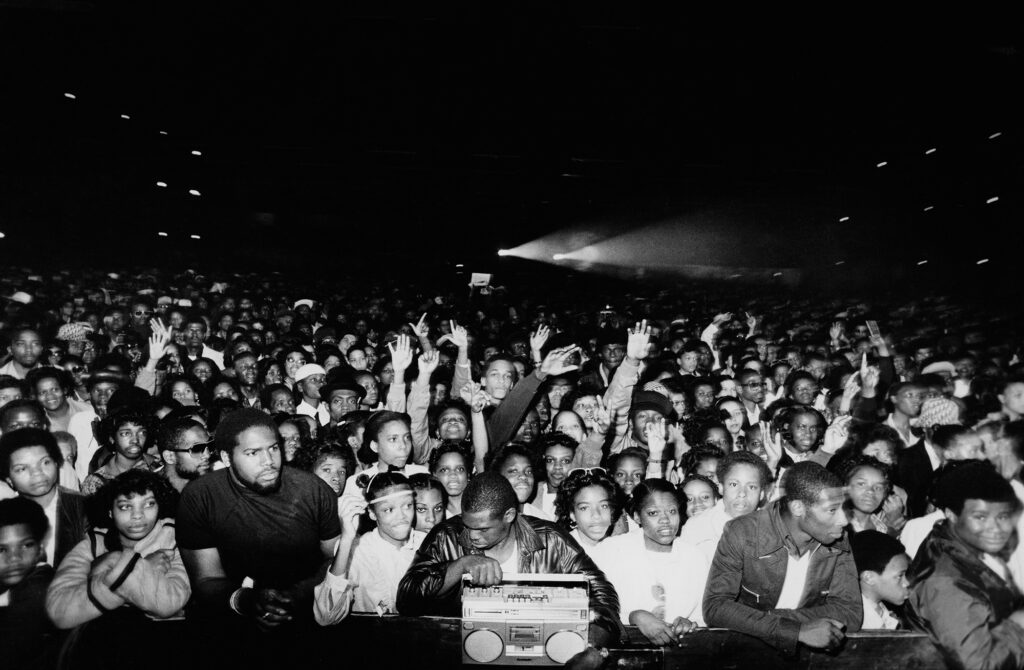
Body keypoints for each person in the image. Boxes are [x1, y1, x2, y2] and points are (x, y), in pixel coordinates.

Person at [396, 471, 622, 648]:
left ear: (509, 515)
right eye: (467, 525)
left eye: (483, 528)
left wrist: (591, 648)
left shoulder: (551, 539)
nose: (472, 535)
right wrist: (460, 566)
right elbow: (406, 599)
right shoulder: (446, 535)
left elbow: (603, 598)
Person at [175, 409, 340, 651]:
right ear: (227, 457)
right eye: (253, 453)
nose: (268, 461)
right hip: (230, 624)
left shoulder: (313, 490)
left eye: (273, 448)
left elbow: (335, 560)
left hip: (307, 616)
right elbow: (206, 579)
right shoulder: (200, 497)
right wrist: (247, 600)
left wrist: (296, 596)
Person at [703, 462, 862, 654]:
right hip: (745, 653)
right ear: (798, 508)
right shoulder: (743, 533)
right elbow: (715, 607)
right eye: (831, 510)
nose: (844, 520)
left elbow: (850, 613)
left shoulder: (837, 538)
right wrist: (796, 631)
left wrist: (774, 620)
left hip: (807, 656)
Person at [45, 470, 190, 668]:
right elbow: (60, 611)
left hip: (158, 645)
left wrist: (110, 566)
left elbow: (169, 603)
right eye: (125, 506)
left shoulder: (174, 538)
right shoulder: (94, 542)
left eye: (148, 504)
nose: (138, 515)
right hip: (100, 648)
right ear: (111, 511)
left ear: (160, 506)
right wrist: (141, 567)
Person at [904, 460, 1024, 669]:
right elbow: (979, 664)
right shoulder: (944, 580)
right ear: (951, 514)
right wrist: (1018, 623)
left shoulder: (962, 548)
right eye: (980, 517)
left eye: (1002, 516)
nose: (995, 528)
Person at [590, 479, 709, 645]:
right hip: (620, 649)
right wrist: (634, 616)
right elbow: (591, 608)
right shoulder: (610, 551)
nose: (665, 520)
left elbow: (703, 615)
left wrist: (689, 624)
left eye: (672, 511)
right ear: (637, 516)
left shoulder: (695, 557)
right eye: (653, 513)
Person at [314, 472, 426, 624]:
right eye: (388, 510)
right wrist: (346, 538)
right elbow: (327, 617)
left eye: (408, 506)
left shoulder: (427, 544)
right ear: (372, 514)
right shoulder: (358, 551)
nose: (401, 516)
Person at [0, 428, 88, 567]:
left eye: (45, 462)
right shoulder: (4, 516)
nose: (37, 473)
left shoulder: (85, 507)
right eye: (22, 468)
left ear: (56, 463)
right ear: (8, 479)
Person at [680, 450, 773, 562]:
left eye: (751, 487)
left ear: (762, 493)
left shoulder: (774, 530)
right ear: (721, 488)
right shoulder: (696, 528)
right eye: (734, 484)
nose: (742, 493)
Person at [0, 497, 57, 669]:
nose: (14, 558)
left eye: (26, 545)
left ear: (40, 548)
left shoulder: (39, 585)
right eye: (2, 549)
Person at [342, 411, 427, 498]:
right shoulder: (356, 485)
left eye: (407, 437)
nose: (403, 445)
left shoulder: (422, 474)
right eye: (393, 439)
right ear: (375, 446)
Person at [849, 530, 909, 630]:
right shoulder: (857, 625)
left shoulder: (880, 611)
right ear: (869, 577)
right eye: (900, 576)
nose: (906, 583)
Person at [553, 467, 626, 549]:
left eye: (604, 506)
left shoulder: (618, 548)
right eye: (584, 508)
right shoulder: (560, 551)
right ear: (572, 514)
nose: (596, 515)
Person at [488, 443, 550, 520]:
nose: (523, 476)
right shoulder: (486, 519)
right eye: (514, 471)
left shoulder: (542, 519)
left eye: (529, 471)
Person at [157, 418, 213, 493]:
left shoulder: (214, 483)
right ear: (169, 457)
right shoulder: (155, 495)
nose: (207, 455)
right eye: (197, 449)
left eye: (210, 446)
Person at [427, 440, 472, 516]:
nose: (453, 475)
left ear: (468, 474)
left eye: (460, 469)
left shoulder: (482, 507)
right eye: (444, 470)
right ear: (434, 475)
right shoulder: (434, 516)